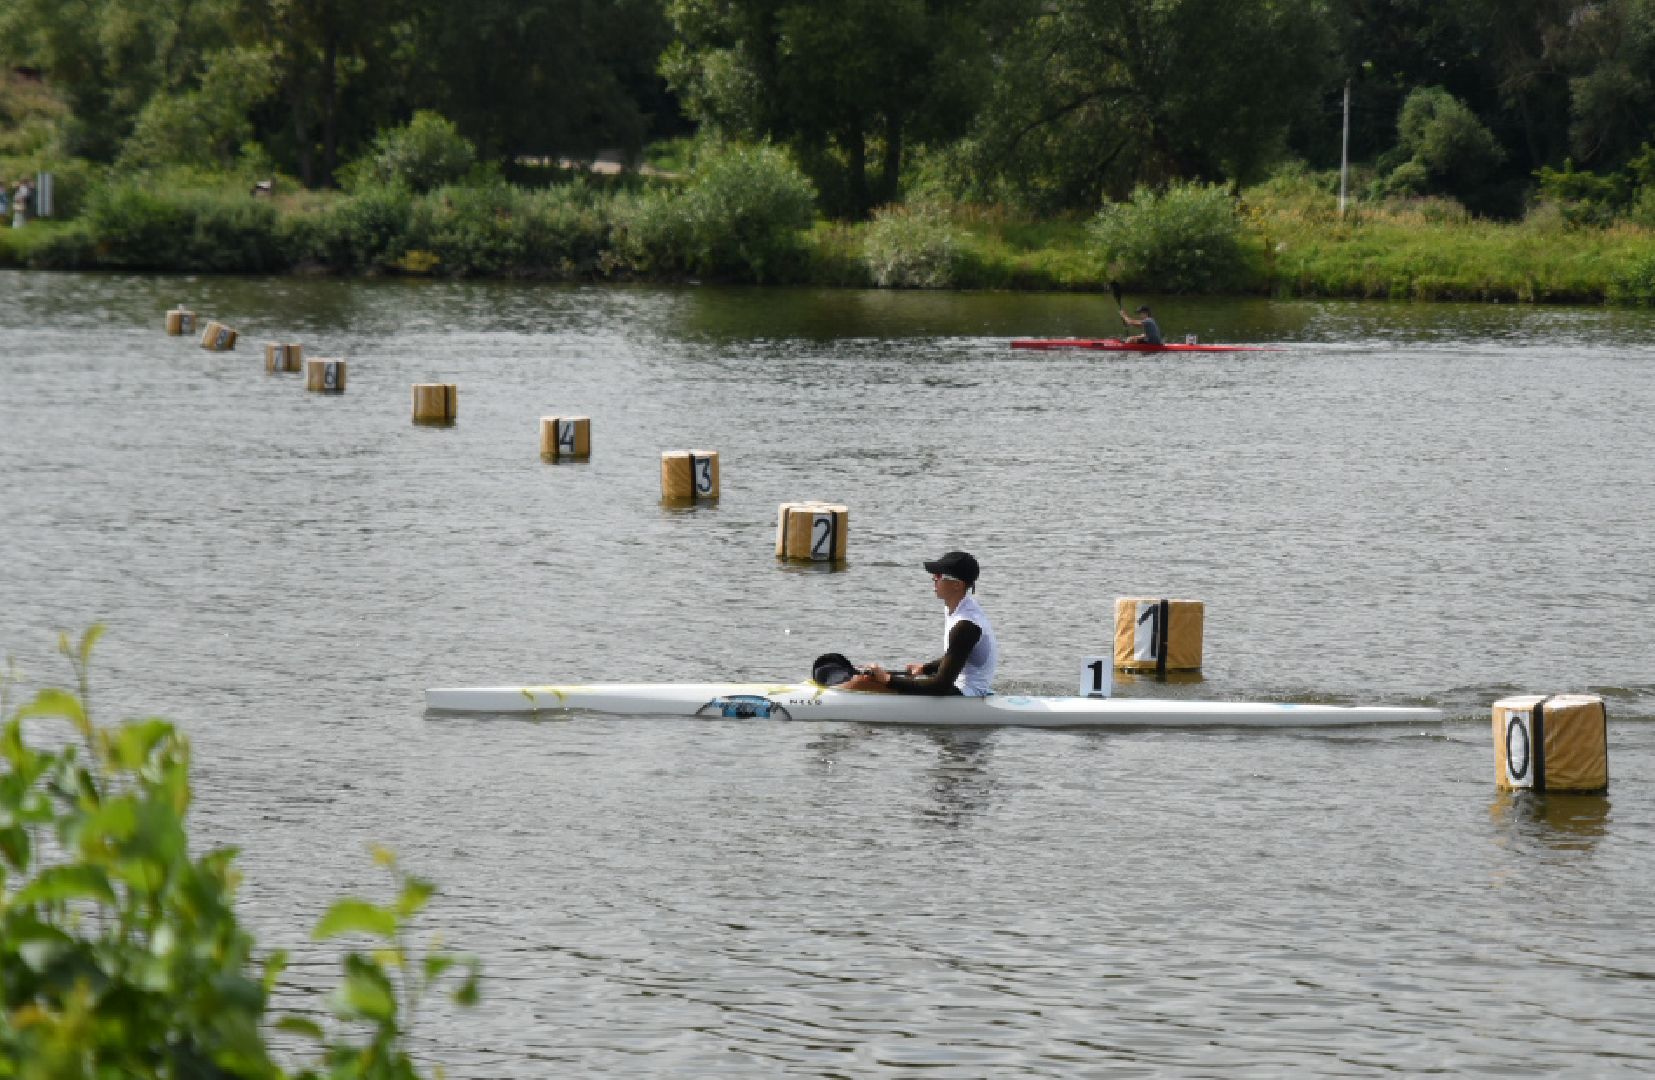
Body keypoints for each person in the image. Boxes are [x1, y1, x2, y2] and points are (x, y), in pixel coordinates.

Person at [832, 550, 999, 696]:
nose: (934, 578)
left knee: (861, 683)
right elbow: (959, 654)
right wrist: (925, 669)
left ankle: (826, 698)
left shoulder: (965, 626)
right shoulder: (962, 607)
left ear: (957, 585)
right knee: (865, 679)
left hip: (966, 694)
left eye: (940, 575)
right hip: (958, 687)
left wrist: (888, 679)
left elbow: (940, 686)